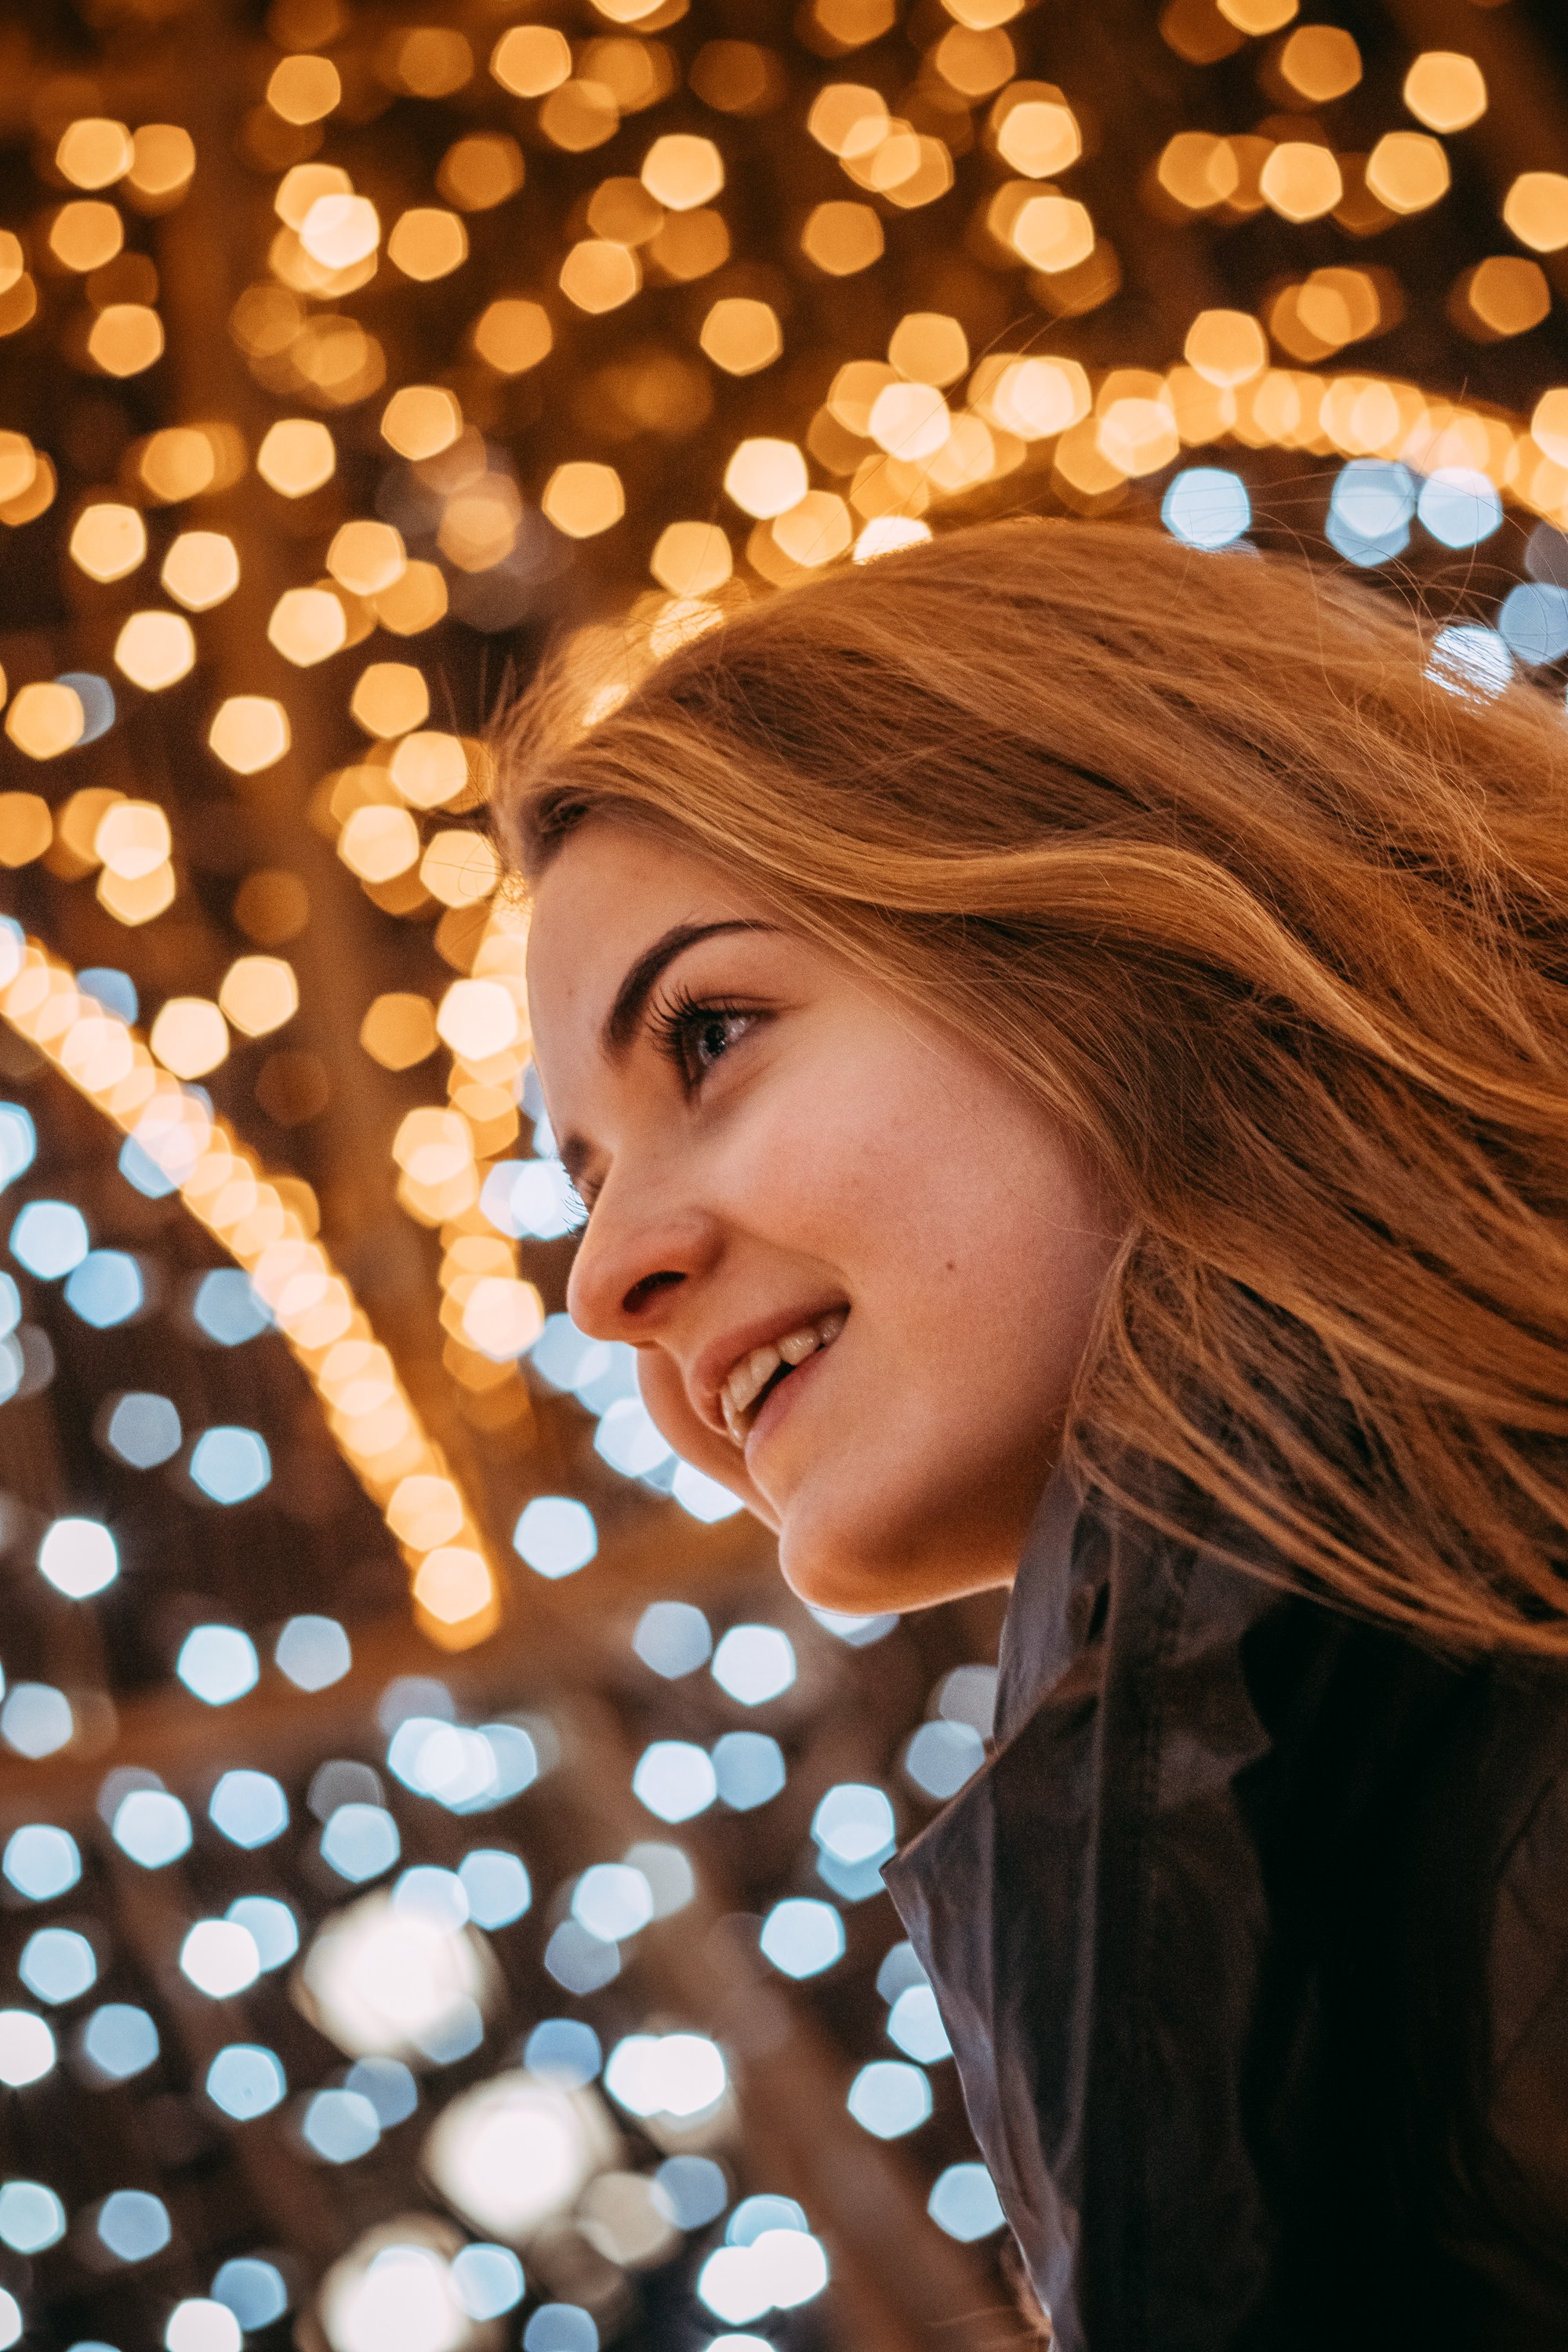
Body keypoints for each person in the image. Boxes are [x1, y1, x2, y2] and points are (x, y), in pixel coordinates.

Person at [502, 518, 1568, 2350]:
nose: (602, 1277)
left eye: (711, 1033)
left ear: (1126, 909)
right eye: (582, 1182)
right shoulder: (1300, 1752)